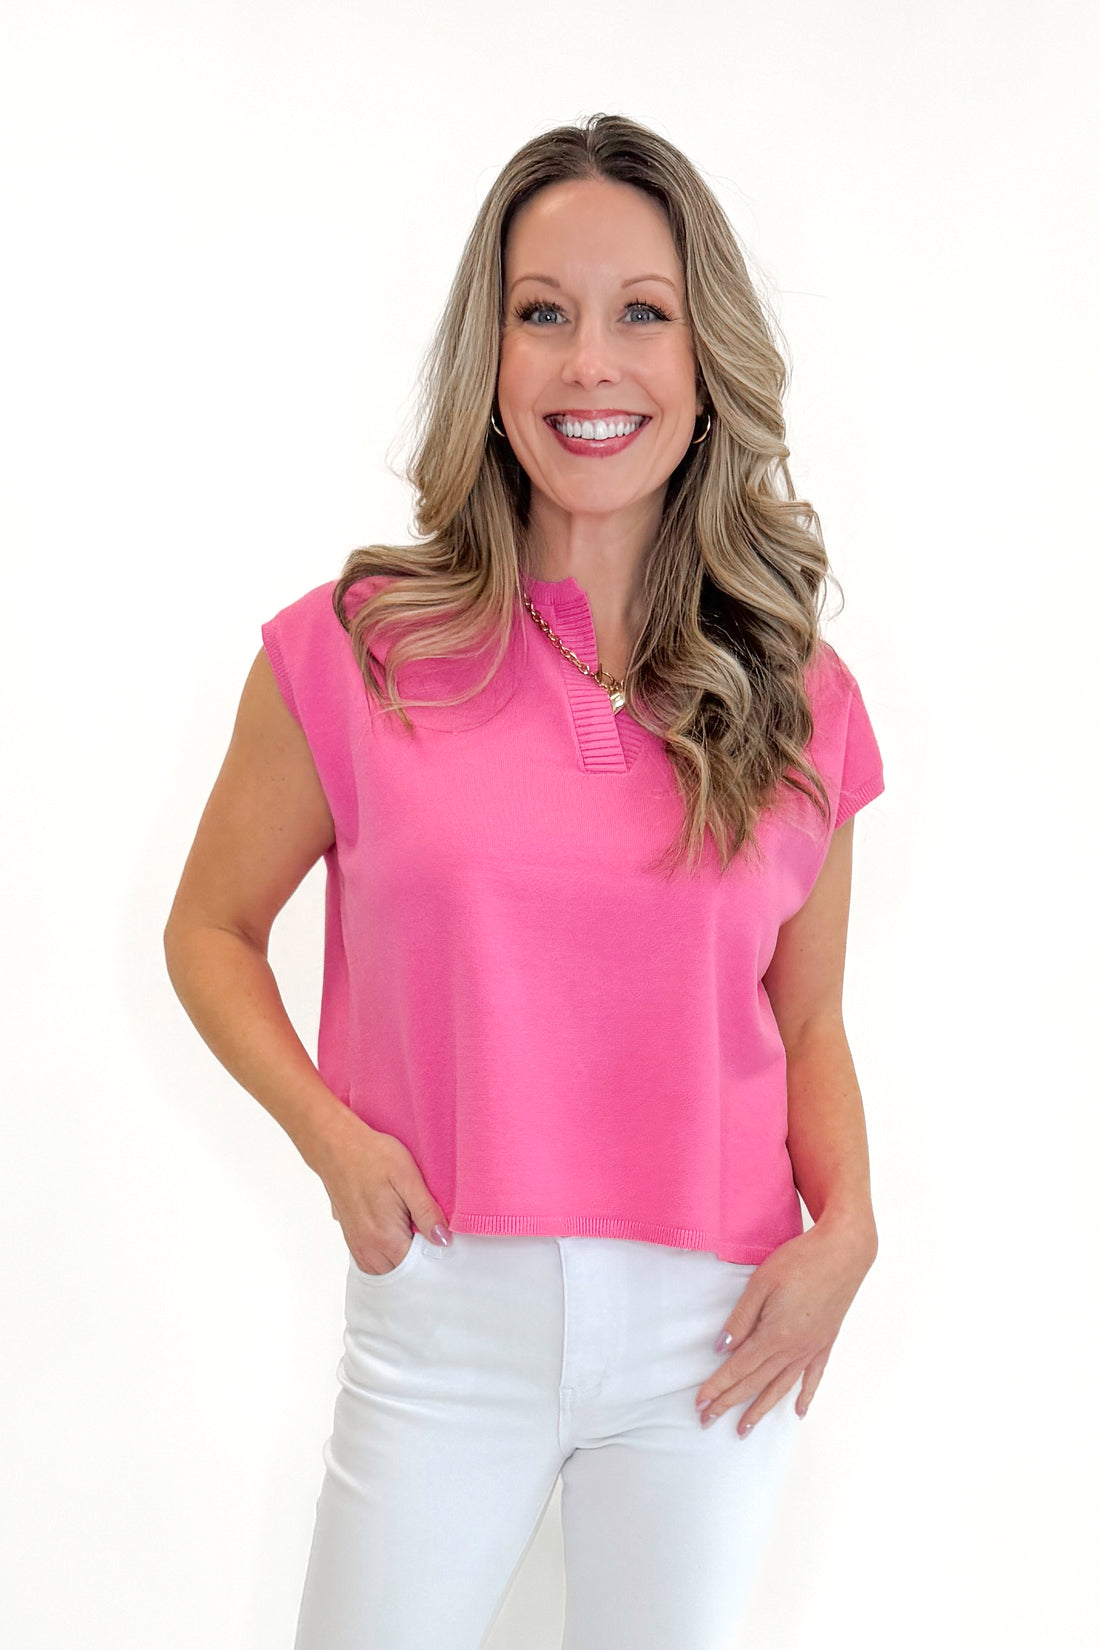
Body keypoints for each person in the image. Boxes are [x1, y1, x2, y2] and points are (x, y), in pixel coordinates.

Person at [164, 112, 886, 1650]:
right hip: (444, 1311)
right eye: (542, 314)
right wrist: (333, 1140)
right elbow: (210, 928)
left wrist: (853, 1231)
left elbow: (808, 1019)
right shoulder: (357, 647)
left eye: (642, 313)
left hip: (718, 1329)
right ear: (490, 361)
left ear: (707, 360)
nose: (589, 364)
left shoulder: (796, 691)